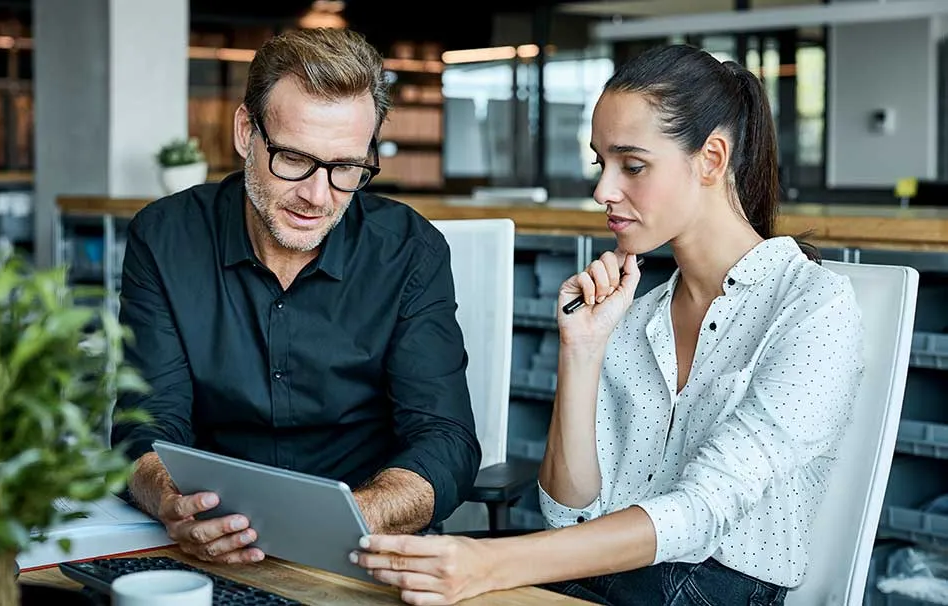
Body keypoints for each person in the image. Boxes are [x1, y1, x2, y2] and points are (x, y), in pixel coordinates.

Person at [352, 44, 864, 606]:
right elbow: (568, 513)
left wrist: (492, 563)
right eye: (602, 164)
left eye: (633, 165)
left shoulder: (815, 306)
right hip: (607, 574)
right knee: (381, 580)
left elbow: (700, 512)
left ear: (712, 159)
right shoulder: (635, 313)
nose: (602, 191)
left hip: (714, 586)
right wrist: (583, 350)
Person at [110, 27, 481, 567]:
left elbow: (445, 440)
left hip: (365, 544)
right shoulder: (165, 238)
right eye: (293, 159)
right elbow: (145, 424)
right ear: (245, 132)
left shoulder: (410, 252)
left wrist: (354, 517)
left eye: (346, 168)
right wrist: (172, 502)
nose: (317, 195)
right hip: (210, 541)